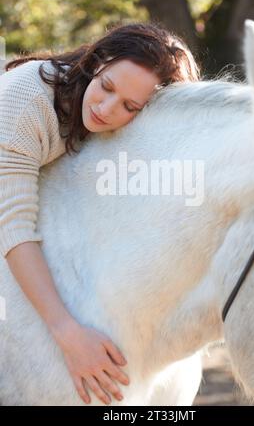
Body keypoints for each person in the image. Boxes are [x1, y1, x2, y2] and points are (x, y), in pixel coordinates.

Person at [0, 21, 201, 405]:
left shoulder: (134, 128)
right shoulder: (27, 100)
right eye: (107, 86)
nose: (107, 110)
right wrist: (68, 334)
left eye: (129, 106)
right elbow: (13, 225)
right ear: (96, 62)